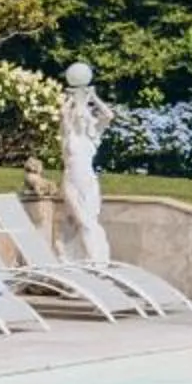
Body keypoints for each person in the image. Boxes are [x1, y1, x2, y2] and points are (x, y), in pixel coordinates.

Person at [58, 61, 113, 263]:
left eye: (84, 118)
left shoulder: (91, 138)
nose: (81, 120)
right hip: (71, 182)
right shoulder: (69, 137)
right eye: (78, 118)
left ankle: (86, 259)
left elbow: (108, 115)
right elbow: (64, 115)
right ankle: (92, 261)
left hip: (89, 183)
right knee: (84, 223)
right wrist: (71, 99)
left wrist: (93, 97)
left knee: (88, 222)